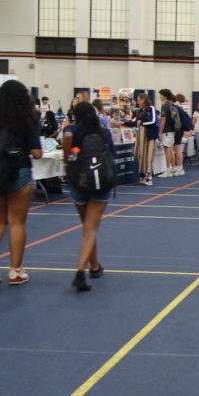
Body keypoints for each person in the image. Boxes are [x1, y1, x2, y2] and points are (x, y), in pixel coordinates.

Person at [0, 79, 43, 286]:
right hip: (18, 170)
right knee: (17, 222)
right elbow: (37, 153)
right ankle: (16, 271)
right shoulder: (27, 119)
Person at [64, 101, 115, 292]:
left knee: (87, 227)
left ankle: (94, 266)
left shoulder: (72, 130)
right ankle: (81, 270)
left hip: (80, 182)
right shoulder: (103, 132)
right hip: (101, 182)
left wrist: (68, 164)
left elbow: (69, 152)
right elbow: (112, 154)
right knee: (90, 228)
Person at [128, 93, 158, 186]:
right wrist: (122, 123)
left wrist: (142, 123)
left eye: (138, 100)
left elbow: (153, 121)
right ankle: (142, 174)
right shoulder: (140, 110)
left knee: (148, 156)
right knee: (140, 155)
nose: (138, 102)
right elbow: (134, 121)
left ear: (143, 100)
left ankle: (149, 176)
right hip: (140, 137)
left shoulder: (151, 108)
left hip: (149, 136)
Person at [157, 89, 181, 178]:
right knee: (170, 150)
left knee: (167, 151)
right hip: (172, 130)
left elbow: (163, 120)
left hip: (167, 131)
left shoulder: (165, 106)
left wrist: (160, 131)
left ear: (164, 96)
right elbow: (174, 118)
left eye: (160, 95)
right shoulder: (172, 105)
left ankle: (168, 170)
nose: (159, 97)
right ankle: (172, 168)